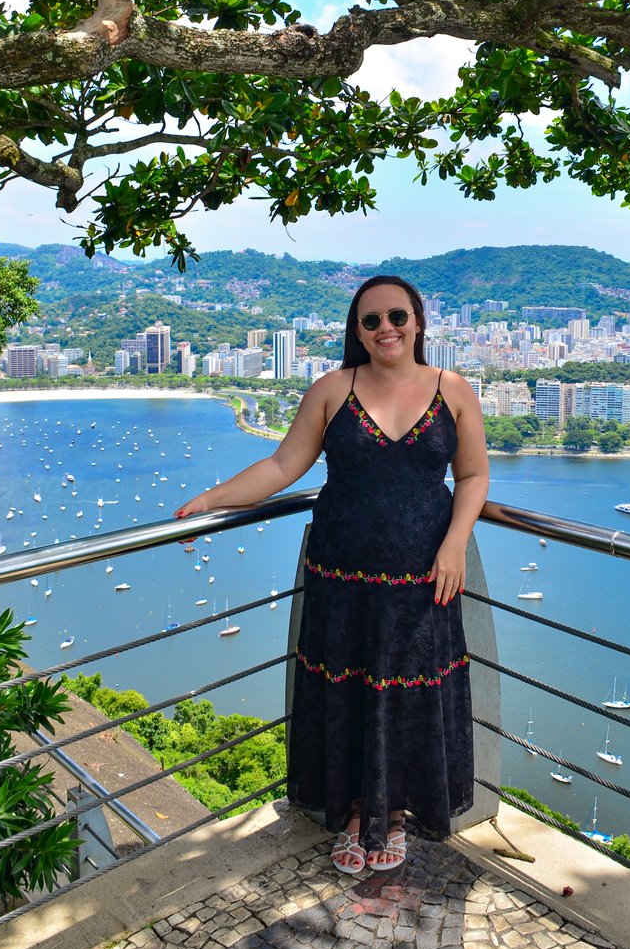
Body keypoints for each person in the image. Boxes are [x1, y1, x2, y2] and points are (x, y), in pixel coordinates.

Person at [175, 275, 488, 875]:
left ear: (419, 322)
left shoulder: (453, 390)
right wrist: (211, 501)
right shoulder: (331, 390)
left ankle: (392, 814)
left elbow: (473, 477)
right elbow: (282, 464)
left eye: (397, 316)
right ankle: (352, 813)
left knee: (406, 692)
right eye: (370, 321)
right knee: (348, 690)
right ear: (357, 331)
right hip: (341, 575)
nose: (385, 329)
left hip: (423, 578)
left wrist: (455, 545)